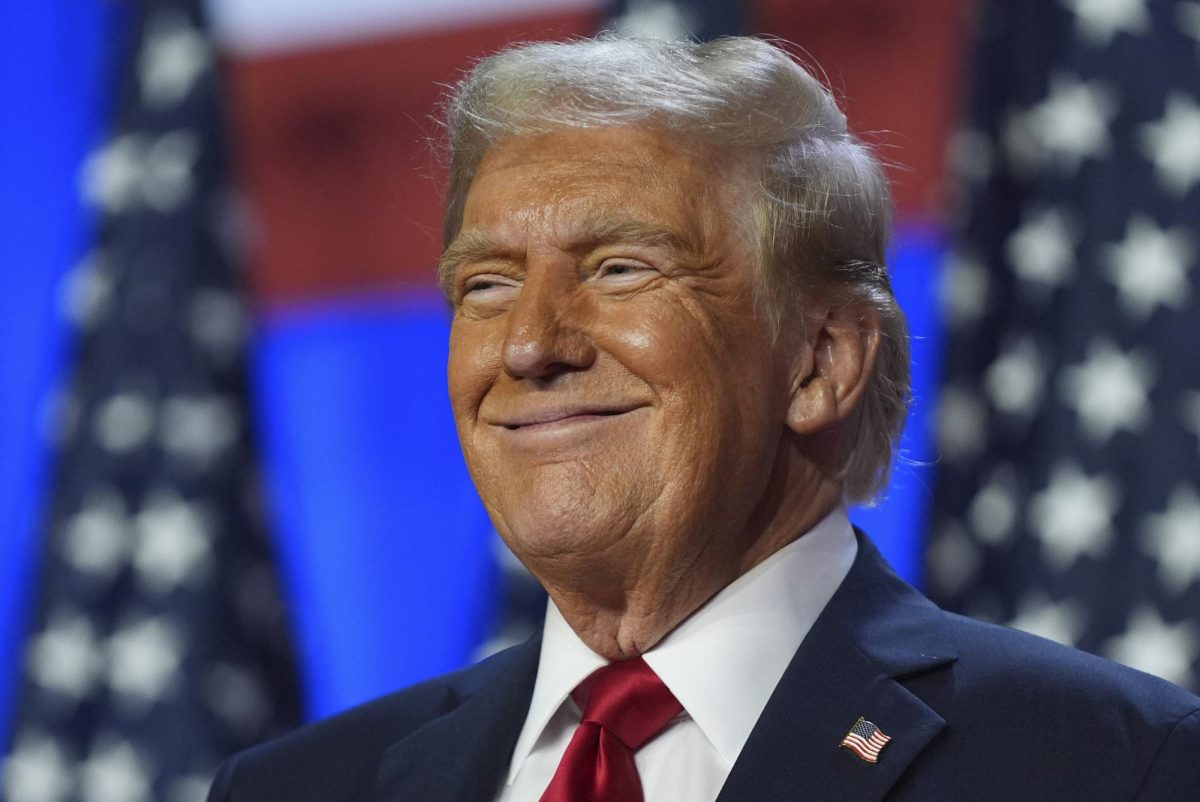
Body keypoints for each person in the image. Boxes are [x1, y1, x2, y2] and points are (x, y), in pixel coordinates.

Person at [208, 36, 1200, 801]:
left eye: (619, 268)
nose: (527, 344)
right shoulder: (301, 788)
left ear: (821, 360)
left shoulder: (1109, 764)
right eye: (485, 285)